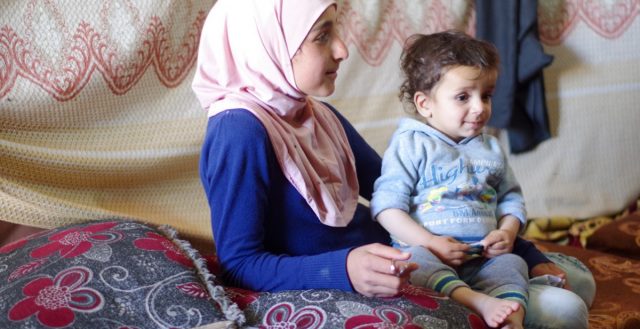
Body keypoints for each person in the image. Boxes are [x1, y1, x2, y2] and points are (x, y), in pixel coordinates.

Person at [191, 1, 594, 328]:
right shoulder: (238, 132)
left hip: (413, 256)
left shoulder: (318, 116)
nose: (342, 49)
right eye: (322, 36)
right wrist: (342, 269)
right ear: (266, 45)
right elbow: (239, 265)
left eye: (336, 30)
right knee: (567, 311)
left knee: (579, 281)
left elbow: (415, 192)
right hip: (396, 272)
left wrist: (520, 248)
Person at [371, 31, 528, 328]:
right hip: (432, 255)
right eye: (462, 97)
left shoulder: (490, 148)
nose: (480, 107)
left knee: (514, 263)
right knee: (411, 262)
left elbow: (511, 199)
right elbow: (387, 208)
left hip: (484, 258)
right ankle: (475, 301)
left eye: (486, 95)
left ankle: (512, 318)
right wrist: (431, 242)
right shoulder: (412, 144)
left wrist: (507, 233)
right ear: (425, 104)